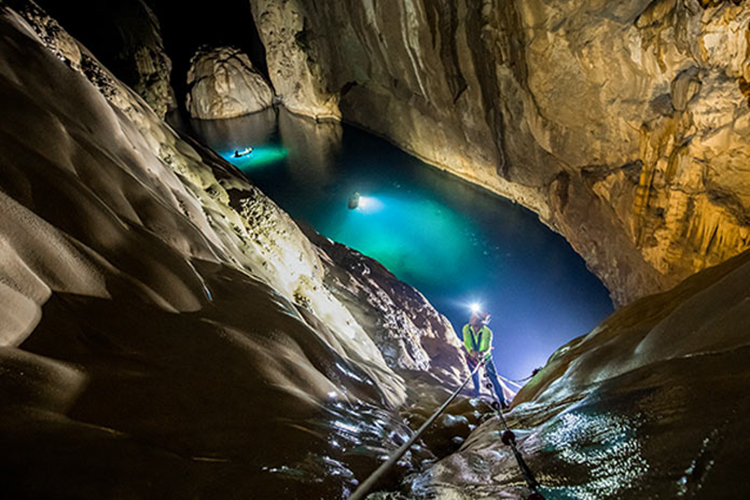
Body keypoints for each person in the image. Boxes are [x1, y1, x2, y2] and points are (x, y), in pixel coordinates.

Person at [462, 311, 508, 408]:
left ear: (480, 321)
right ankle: (477, 392)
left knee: (494, 379)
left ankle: (503, 402)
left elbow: (487, 346)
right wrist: (471, 351)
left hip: (485, 358)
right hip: (472, 356)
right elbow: (467, 341)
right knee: (474, 375)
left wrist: (482, 353)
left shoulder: (487, 332)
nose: (471, 318)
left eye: (474, 317)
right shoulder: (466, 328)